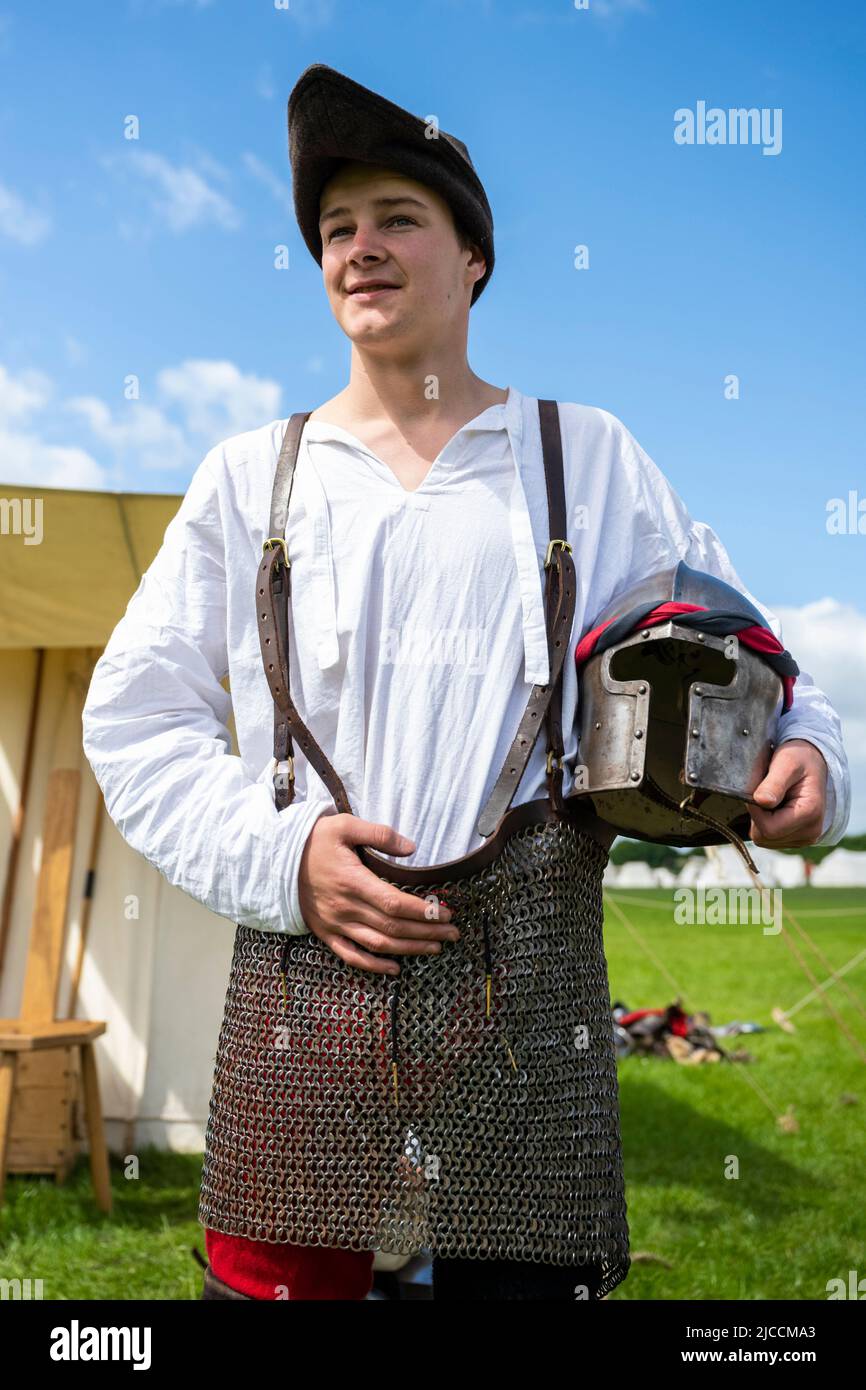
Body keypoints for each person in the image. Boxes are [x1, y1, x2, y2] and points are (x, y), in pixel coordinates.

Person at [81, 64, 850, 1301]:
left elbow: (761, 665)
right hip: (300, 1004)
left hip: (523, 1003)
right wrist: (281, 859)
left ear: (473, 255)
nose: (359, 249)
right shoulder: (249, 480)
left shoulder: (582, 459)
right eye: (336, 229)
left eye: (397, 219)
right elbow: (132, 719)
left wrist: (813, 756)